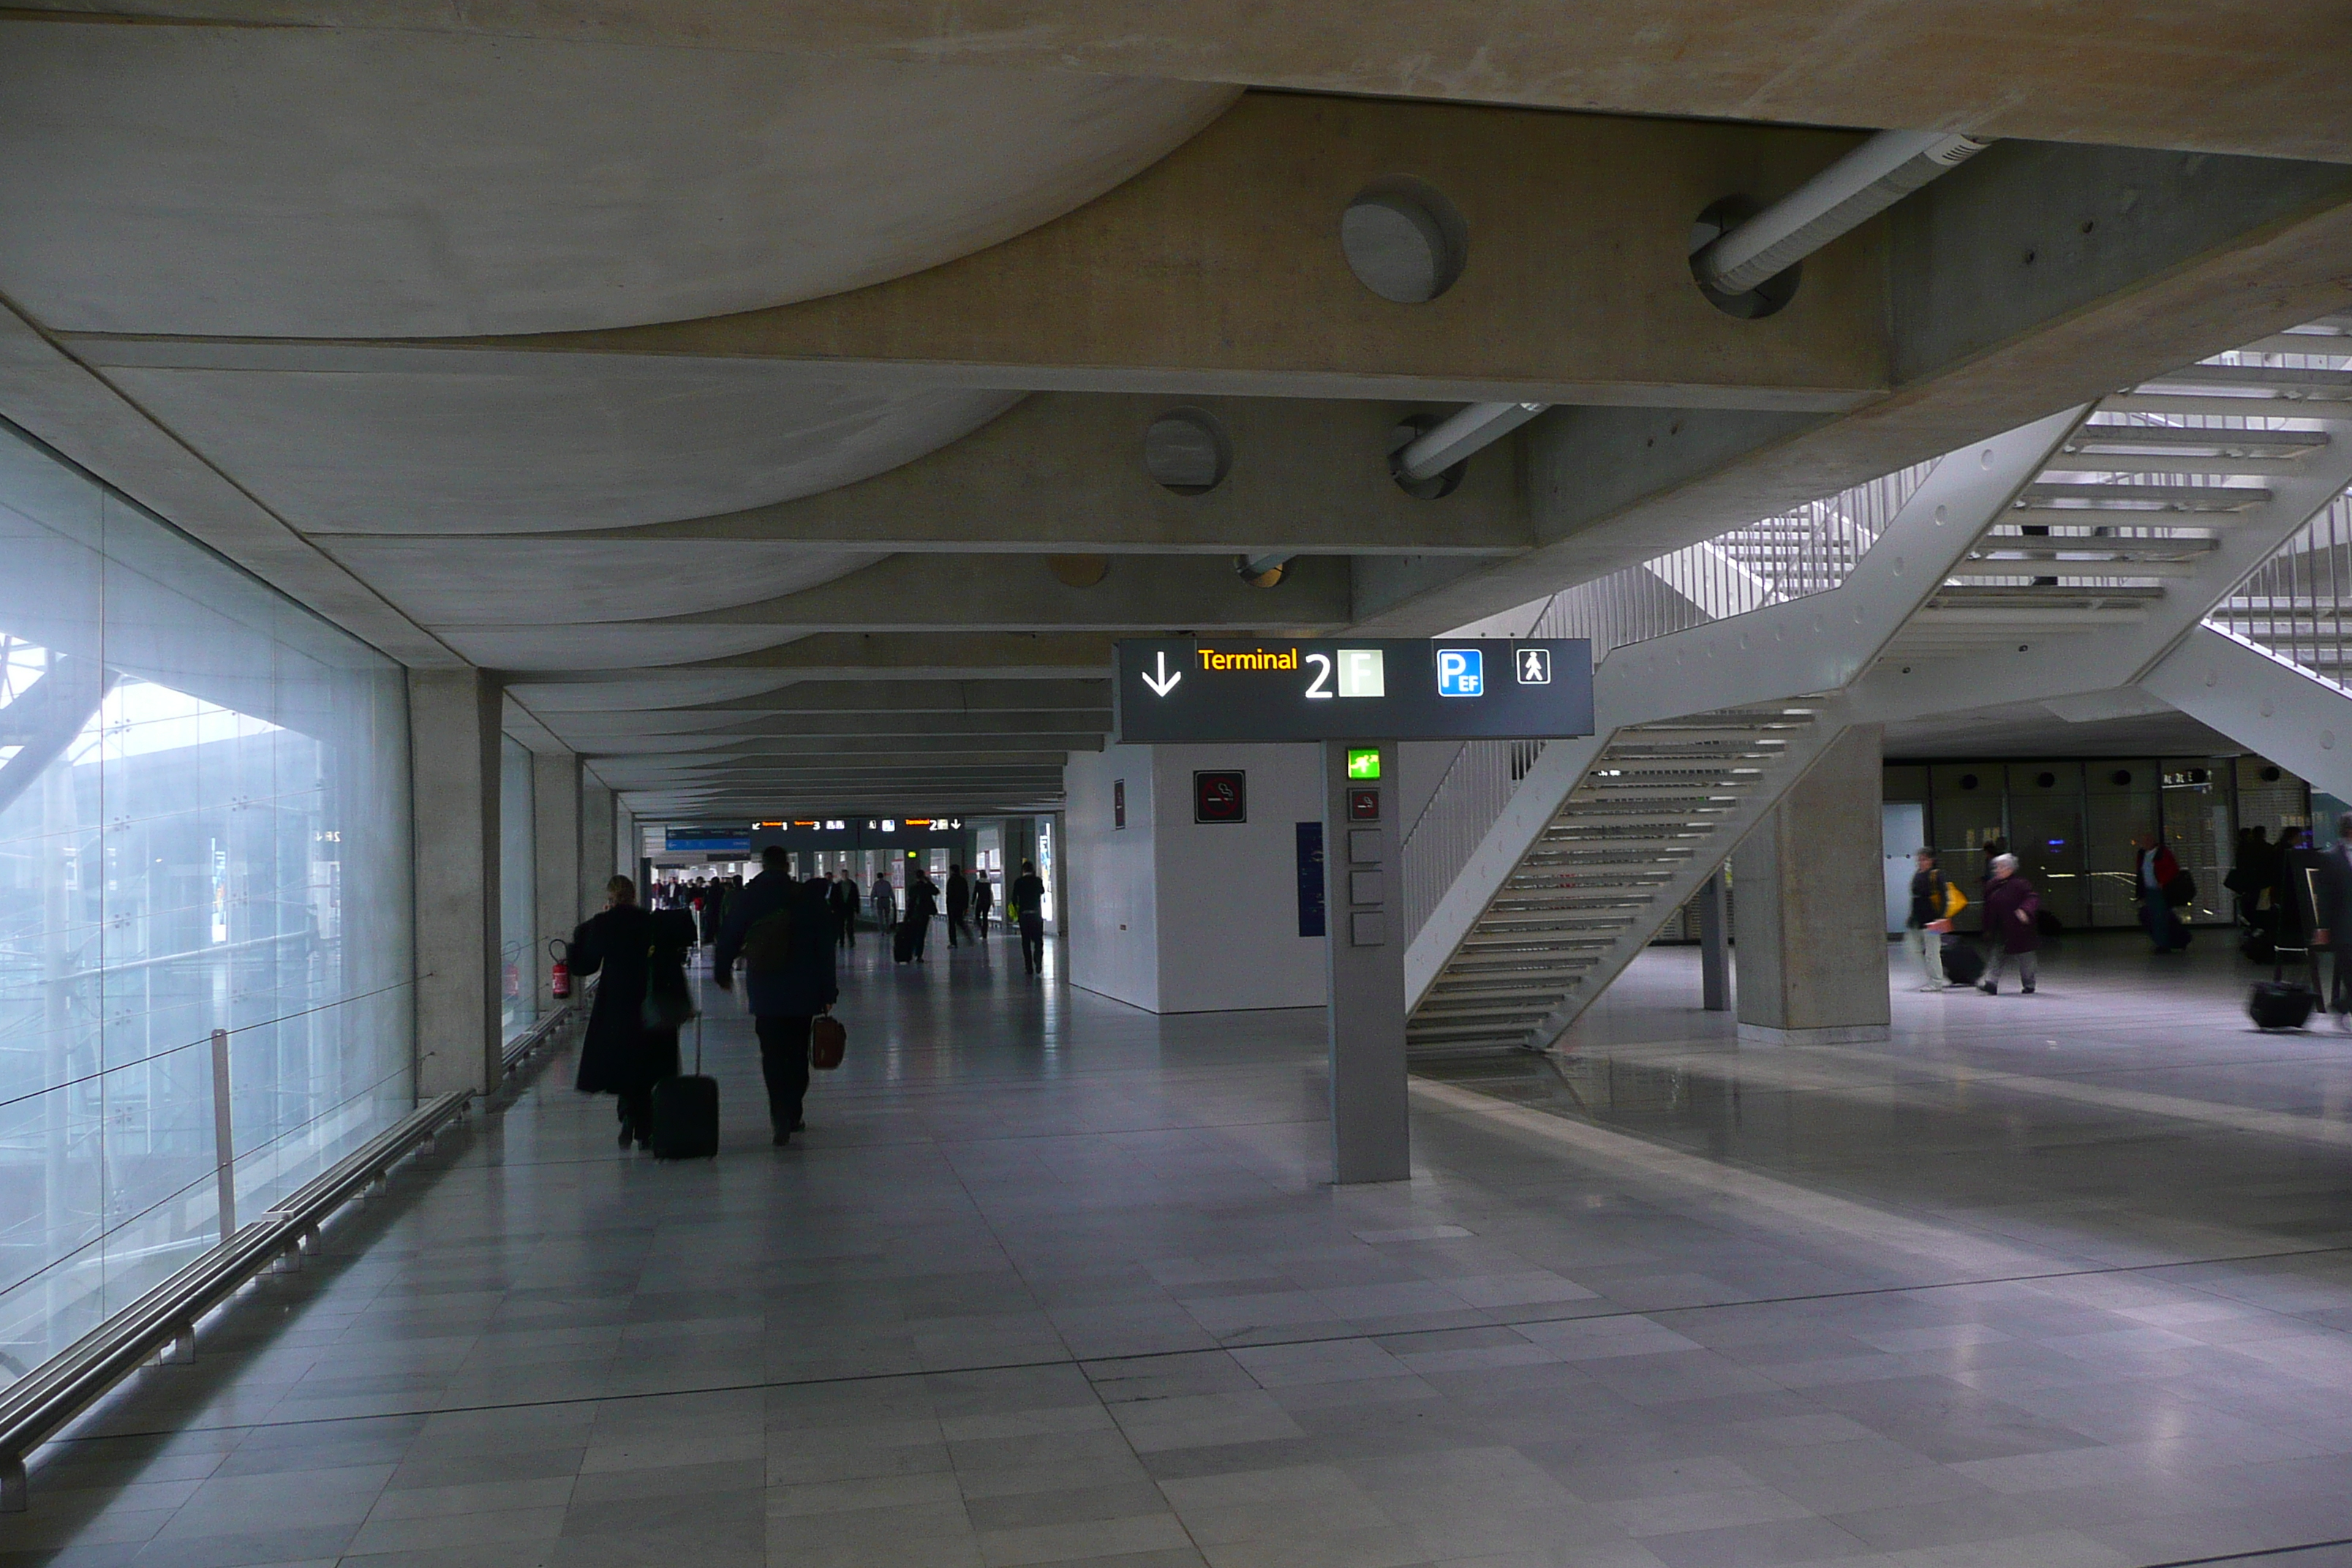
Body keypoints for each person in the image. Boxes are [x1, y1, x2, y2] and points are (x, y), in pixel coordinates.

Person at [712, 846, 840, 1146]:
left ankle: (779, 1113)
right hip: (803, 987)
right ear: (786, 865)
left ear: (764, 865)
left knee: (771, 1053)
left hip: (765, 987)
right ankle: (793, 1110)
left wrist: (722, 970)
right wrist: (828, 989)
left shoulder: (750, 896)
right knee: (797, 1052)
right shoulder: (806, 897)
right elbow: (826, 945)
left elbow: (730, 934)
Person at [568, 875, 686, 1150]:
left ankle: (628, 1115)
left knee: (623, 1061)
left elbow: (585, 966)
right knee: (649, 1063)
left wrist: (575, 944)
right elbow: (670, 963)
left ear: (610, 898)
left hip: (616, 1004)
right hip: (650, 1002)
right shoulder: (651, 922)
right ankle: (646, 1127)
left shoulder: (602, 924)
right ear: (634, 895)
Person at [1978, 853, 2040, 995]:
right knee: (1996, 955)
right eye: (1997, 867)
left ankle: (2029, 984)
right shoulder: (1992, 884)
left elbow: (2032, 898)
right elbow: (1987, 908)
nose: (1997, 870)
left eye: (2001, 867)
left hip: (2020, 929)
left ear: (2010, 869)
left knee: (2026, 959)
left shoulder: (2021, 884)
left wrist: (2025, 911)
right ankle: (1991, 983)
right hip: (2001, 928)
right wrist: (1987, 927)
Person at [2315, 818, 2352, 1027]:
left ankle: (2343, 1005)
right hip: (2344, 925)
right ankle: (2344, 1005)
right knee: (2350, 969)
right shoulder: (2330, 858)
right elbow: (2325, 896)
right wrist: (2323, 927)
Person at [1904, 848, 1952, 992]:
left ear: (1932, 860)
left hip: (1933, 921)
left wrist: (1940, 918)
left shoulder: (1936, 875)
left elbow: (1944, 898)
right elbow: (1916, 898)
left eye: (1924, 859)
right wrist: (1912, 917)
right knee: (1917, 949)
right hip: (1919, 920)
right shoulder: (1918, 874)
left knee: (1932, 952)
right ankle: (1936, 976)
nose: (1921, 862)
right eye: (1919, 859)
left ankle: (1937, 981)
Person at [2137, 832, 2190, 952]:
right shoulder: (2142, 854)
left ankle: (2165, 943)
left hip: (2160, 890)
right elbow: (2141, 873)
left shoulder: (2162, 853)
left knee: (2160, 917)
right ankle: (2172, 941)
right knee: (2156, 916)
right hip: (2149, 890)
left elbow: (2173, 869)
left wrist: (2163, 882)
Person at [1010, 859, 1047, 976]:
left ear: (1023, 870)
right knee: (1038, 939)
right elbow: (1042, 891)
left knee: (1025, 941)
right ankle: (1038, 960)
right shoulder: (1038, 881)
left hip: (1024, 915)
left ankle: (1029, 967)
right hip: (1036, 913)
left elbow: (1014, 899)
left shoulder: (1019, 882)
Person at [902, 870, 938, 962]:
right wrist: (929, 882)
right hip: (924, 913)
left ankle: (910, 953)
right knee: (921, 934)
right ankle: (919, 955)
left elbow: (910, 902)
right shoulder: (927, 887)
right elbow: (936, 891)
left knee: (913, 934)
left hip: (914, 913)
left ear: (916, 877)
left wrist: (907, 915)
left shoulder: (913, 887)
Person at [829, 870, 860, 950]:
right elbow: (833, 898)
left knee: (850, 925)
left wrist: (857, 909)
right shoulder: (837, 886)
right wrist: (833, 908)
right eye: (843, 874)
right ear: (841, 875)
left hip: (849, 908)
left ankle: (851, 940)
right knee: (840, 925)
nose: (845, 876)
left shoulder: (852, 885)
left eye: (846, 874)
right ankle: (842, 941)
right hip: (840, 908)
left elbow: (856, 897)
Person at [946, 864, 970, 948]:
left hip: (952, 905)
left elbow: (949, 894)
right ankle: (968, 935)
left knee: (952, 924)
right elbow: (966, 894)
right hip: (960, 905)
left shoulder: (951, 880)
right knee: (960, 922)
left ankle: (953, 942)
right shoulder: (963, 880)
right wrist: (966, 906)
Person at [870, 870, 897, 935]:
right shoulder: (887, 883)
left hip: (880, 900)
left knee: (880, 916)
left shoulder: (876, 884)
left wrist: (872, 901)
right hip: (887, 900)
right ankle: (888, 929)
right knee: (887, 915)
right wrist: (894, 900)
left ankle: (882, 930)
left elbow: (873, 893)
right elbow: (891, 892)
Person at [972, 870, 994, 935]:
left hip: (980, 901)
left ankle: (982, 928)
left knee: (977, 916)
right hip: (987, 901)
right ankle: (985, 933)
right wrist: (992, 901)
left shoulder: (978, 882)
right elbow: (990, 892)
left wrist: (972, 902)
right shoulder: (989, 882)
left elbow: (975, 893)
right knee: (985, 917)